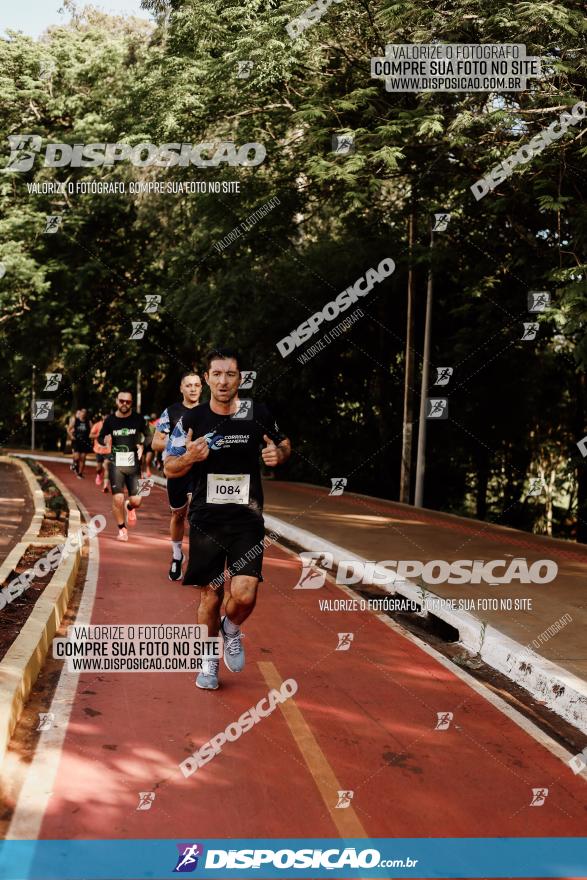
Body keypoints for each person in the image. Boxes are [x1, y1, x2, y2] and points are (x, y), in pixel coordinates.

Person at [164, 349, 290, 690]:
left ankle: (231, 629)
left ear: (240, 379)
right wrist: (189, 456)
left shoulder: (257, 413)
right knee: (211, 594)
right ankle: (208, 661)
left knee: (245, 595)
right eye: (216, 374)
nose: (223, 381)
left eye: (230, 374)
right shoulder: (193, 419)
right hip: (206, 517)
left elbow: (284, 443)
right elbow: (169, 466)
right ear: (207, 379)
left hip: (247, 517)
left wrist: (278, 454)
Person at [152, 372, 203, 581]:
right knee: (178, 515)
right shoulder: (171, 412)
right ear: (181, 389)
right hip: (176, 469)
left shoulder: (209, 411)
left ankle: (199, 561)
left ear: (202, 388)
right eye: (188, 385)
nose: (193, 389)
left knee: (198, 515)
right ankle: (176, 555)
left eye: (197, 385)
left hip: (200, 470)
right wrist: (181, 444)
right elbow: (156, 443)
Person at [98, 391, 145, 542]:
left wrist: (143, 445)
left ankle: (129, 507)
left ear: (131, 403)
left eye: (128, 402)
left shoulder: (138, 419)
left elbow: (150, 435)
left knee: (137, 501)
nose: (124, 404)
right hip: (116, 463)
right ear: (117, 401)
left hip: (134, 465)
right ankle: (122, 529)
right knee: (117, 498)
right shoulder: (110, 420)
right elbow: (100, 437)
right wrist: (104, 439)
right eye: (121, 401)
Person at [67, 408, 92, 478]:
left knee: (83, 458)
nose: (83, 413)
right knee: (77, 457)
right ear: (80, 413)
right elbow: (68, 429)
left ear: (86, 414)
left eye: (85, 412)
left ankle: (80, 473)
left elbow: (93, 430)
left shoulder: (88, 422)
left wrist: (92, 436)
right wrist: (71, 436)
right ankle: (74, 464)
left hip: (85, 442)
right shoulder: (76, 421)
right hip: (76, 441)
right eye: (82, 412)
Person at [90, 413, 111, 492]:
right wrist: (99, 434)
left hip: (108, 451)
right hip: (99, 450)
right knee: (99, 468)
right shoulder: (97, 425)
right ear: (103, 418)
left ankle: (105, 486)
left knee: (106, 467)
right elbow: (90, 435)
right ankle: (99, 474)